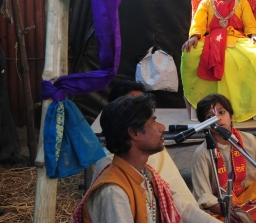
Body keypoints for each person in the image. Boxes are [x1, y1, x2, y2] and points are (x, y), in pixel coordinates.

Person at [73, 94, 220, 223]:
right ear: (134, 133)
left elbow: (183, 209)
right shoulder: (113, 191)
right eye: (153, 122)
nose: (162, 127)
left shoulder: (146, 175)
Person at [92, 80, 197, 206]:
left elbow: (179, 206)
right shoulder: (112, 187)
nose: (162, 127)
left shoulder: (147, 170)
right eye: (133, 104)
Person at [191, 94, 256, 223]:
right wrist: (226, 211)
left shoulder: (248, 140)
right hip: (224, 209)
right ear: (204, 125)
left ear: (231, 116)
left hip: (254, 202)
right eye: (210, 117)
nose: (217, 118)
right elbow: (203, 196)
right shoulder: (202, 153)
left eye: (221, 112)